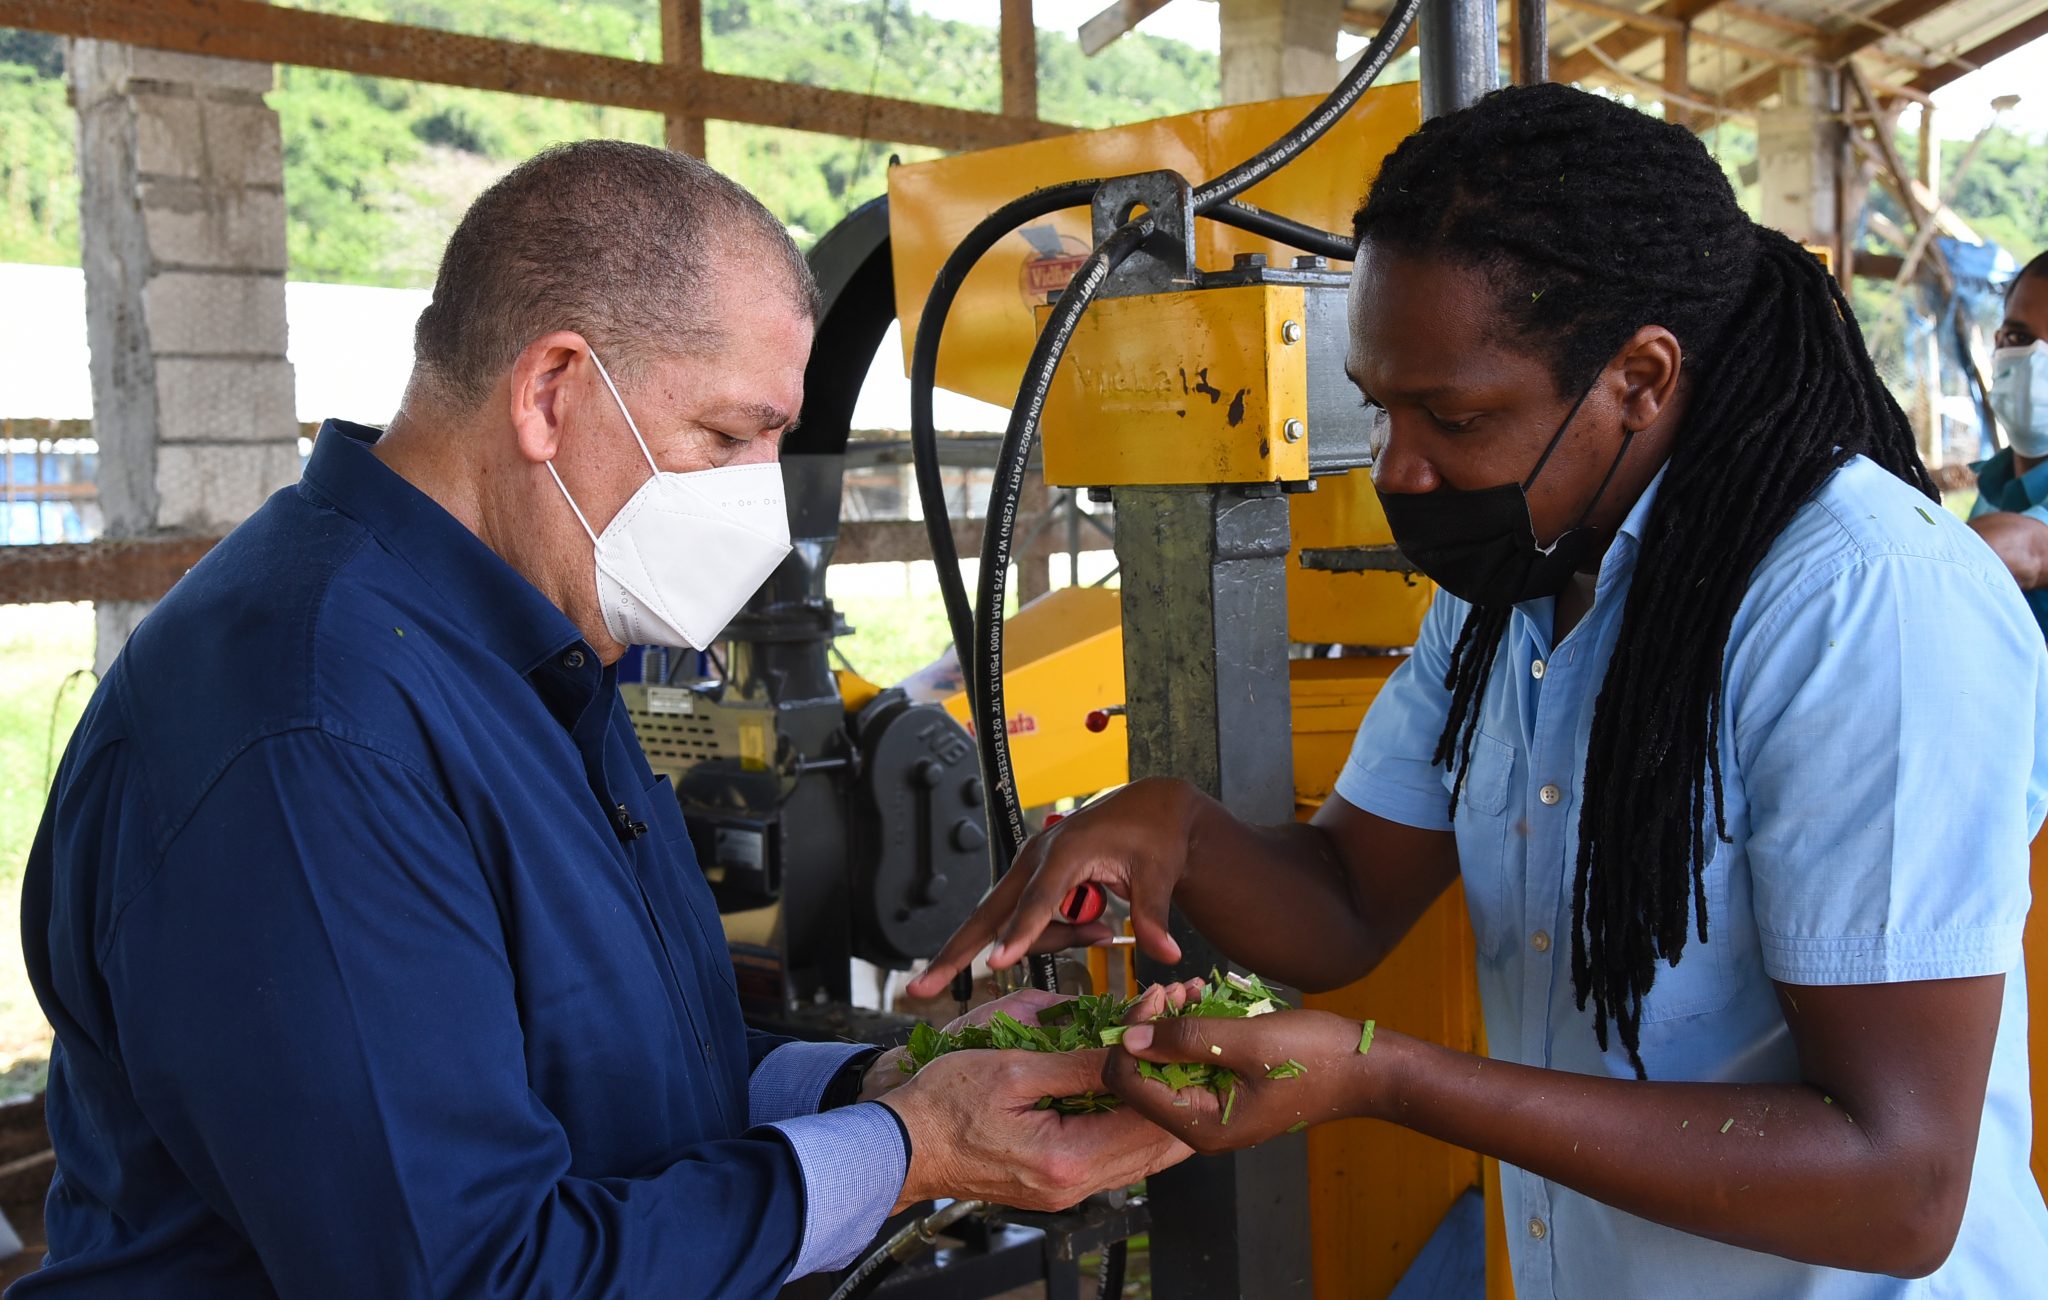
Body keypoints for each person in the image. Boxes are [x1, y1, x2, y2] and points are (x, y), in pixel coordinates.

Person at [911, 83, 2048, 1296]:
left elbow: (1897, 1184)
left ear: (1640, 378)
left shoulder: (1858, 606)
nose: (1401, 466)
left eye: (1453, 415)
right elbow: (1348, 901)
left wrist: (1386, 1076)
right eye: (1380, 403)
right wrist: (1175, 830)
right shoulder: (1515, 581)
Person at [17, 141, 1186, 1298]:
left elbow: (632, 1071)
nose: (758, 502)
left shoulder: (536, 647)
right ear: (549, 392)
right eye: (728, 438)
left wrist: (896, 1082)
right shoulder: (313, 725)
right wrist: (910, 1151)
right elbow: (473, 1275)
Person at [1970, 249, 2048, 637]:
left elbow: (2031, 551)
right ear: (1998, 343)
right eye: (2020, 337)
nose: (2036, 363)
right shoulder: (1991, 485)